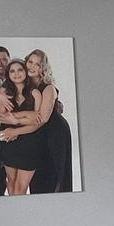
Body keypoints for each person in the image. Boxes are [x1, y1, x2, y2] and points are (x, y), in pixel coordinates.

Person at [0, 58, 48, 195]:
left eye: (20, 70)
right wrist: (26, 117)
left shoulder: (35, 93)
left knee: (20, 188)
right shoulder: (4, 93)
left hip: (30, 143)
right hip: (9, 143)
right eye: (12, 71)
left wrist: (15, 126)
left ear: (25, 72)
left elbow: (37, 122)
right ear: (8, 74)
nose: (16, 74)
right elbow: (2, 117)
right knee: (11, 184)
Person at [23, 48, 74, 193]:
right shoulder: (24, 85)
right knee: (38, 178)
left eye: (37, 64)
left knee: (53, 176)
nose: (32, 67)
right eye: (30, 62)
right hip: (37, 134)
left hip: (55, 134)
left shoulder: (48, 87)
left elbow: (43, 119)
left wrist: (15, 129)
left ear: (43, 68)